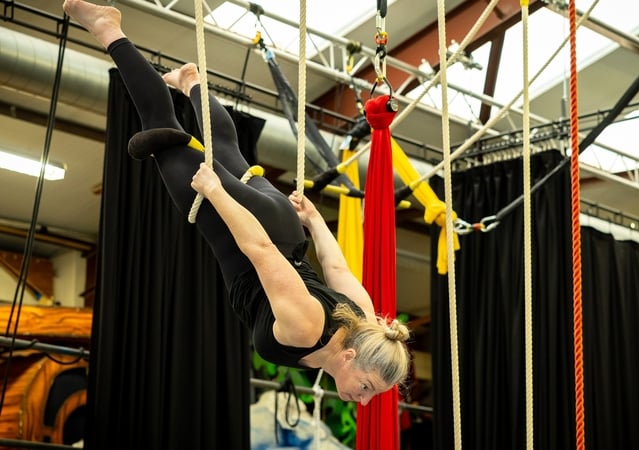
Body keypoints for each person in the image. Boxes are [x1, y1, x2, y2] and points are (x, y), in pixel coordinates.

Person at [63, 0, 410, 405]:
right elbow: (258, 252)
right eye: (366, 387)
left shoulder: (364, 321)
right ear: (350, 357)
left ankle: (192, 81)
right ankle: (109, 29)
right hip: (247, 229)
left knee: (227, 148)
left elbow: (336, 266)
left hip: (282, 224)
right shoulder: (305, 331)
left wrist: (314, 221)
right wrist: (215, 193)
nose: (362, 400)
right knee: (161, 125)